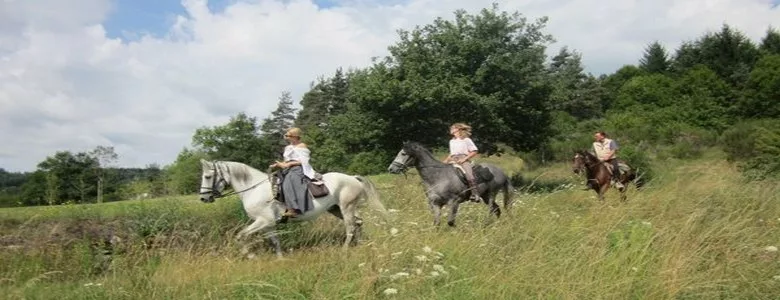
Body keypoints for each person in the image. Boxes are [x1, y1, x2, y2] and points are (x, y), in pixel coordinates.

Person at [270, 127, 316, 218]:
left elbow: (304, 161)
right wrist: (278, 164)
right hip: (287, 168)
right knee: (275, 181)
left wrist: (289, 164)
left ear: (295, 137)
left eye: (288, 136)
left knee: (287, 183)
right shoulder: (288, 147)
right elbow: (286, 161)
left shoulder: (302, 146)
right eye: (286, 135)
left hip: (298, 168)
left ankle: (293, 209)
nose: (287, 137)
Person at [443, 123, 482, 203]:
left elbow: (474, 151)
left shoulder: (466, 140)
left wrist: (464, 159)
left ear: (458, 129)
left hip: (463, 159)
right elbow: (452, 153)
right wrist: (446, 160)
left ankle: (475, 194)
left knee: (469, 174)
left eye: (453, 128)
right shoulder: (451, 141)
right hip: (453, 159)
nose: (451, 129)